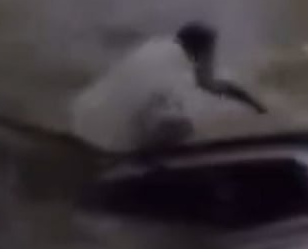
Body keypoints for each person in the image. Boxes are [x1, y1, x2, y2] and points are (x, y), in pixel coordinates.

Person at [71, 22, 267, 154]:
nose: (211, 59)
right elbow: (204, 86)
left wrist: (252, 103)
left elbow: (208, 84)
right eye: (210, 53)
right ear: (200, 51)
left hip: (83, 122)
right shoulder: (174, 69)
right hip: (108, 146)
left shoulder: (156, 47)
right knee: (180, 130)